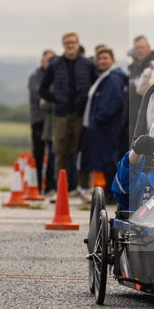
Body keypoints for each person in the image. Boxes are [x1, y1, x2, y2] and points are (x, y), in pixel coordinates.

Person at [39, 31, 98, 195]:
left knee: (82, 152)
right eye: (67, 43)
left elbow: (97, 86)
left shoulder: (87, 64)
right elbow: (42, 89)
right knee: (60, 152)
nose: (70, 46)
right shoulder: (54, 65)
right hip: (61, 116)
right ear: (63, 45)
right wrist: (56, 99)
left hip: (81, 115)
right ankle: (61, 189)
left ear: (78, 44)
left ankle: (84, 189)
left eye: (72, 42)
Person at [78, 46, 128, 203]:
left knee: (109, 161)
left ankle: (111, 194)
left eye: (105, 58)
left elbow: (111, 103)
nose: (102, 61)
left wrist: (99, 118)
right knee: (106, 161)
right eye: (99, 59)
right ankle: (109, 192)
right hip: (105, 127)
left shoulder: (113, 78)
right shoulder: (105, 76)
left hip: (108, 128)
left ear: (112, 59)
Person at [28, 49, 55, 194]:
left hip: (52, 120)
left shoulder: (55, 75)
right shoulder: (35, 76)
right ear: (42, 62)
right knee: (38, 153)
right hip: (39, 119)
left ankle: (50, 185)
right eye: (48, 60)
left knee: (52, 153)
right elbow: (38, 95)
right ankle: (36, 185)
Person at [127, 35, 154, 142]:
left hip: (146, 117)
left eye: (142, 47)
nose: (139, 51)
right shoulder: (134, 66)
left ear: (148, 47)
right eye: (137, 48)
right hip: (131, 116)